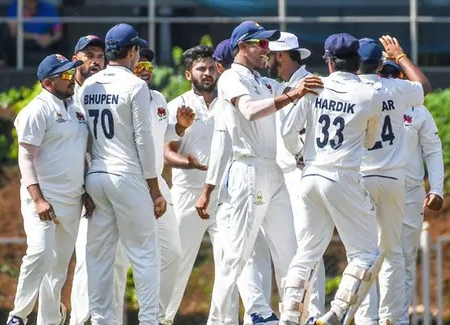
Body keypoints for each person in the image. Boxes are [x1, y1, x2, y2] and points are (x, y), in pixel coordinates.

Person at [199, 20, 322, 324]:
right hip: (247, 169)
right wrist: (294, 95)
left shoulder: (265, 82)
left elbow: (300, 90)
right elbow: (251, 112)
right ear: (243, 46)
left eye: (269, 45)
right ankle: (218, 321)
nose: (268, 51)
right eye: (262, 44)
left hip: (273, 170)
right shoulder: (230, 78)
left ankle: (296, 317)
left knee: (291, 252)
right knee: (236, 257)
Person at [281, 33, 383, 325]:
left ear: (329, 62)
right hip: (343, 176)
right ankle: (337, 312)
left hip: (310, 175)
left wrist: (301, 155)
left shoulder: (314, 86)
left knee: (307, 251)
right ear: (357, 62)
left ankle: (289, 316)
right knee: (366, 254)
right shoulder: (368, 94)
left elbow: (288, 132)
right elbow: (370, 140)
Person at [80, 23, 166, 325]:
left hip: (97, 175)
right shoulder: (136, 86)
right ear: (132, 52)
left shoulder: (89, 85)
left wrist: (84, 183)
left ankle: (103, 321)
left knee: (99, 258)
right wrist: (154, 189)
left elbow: (84, 138)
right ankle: (150, 321)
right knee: (144, 254)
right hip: (127, 174)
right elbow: (143, 141)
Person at [196, 38, 277, 325]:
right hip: (241, 179)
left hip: (261, 175)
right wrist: (208, 190)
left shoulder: (258, 82)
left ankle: (259, 313)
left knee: (254, 255)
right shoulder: (230, 86)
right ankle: (227, 319)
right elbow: (221, 148)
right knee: (236, 257)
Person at [112, 46, 192, 325]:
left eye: (149, 66)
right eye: (140, 65)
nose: (145, 71)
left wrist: (179, 128)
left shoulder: (157, 97)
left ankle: (157, 318)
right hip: (128, 181)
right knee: (120, 258)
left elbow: (161, 134)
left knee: (172, 253)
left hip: (156, 181)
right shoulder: (121, 95)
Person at [7, 54, 89, 325]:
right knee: (39, 253)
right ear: (48, 82)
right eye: (65, 76)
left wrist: (86, 190)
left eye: (71, 73)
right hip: (42, 199)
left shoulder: (76, 109)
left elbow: (81, 155)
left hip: (72, 199)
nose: (71, 79)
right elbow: (26, 158)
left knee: (58, 269)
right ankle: (18, 314)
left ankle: (49, 320)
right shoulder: (36, 110)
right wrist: (38, 198)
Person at [357, 36, 431, 325]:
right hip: (391, 180)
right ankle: (394, 319)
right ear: (380, 64)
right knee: (392, 252)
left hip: (359, 179)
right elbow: (424, 87)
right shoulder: (397, 89)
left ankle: (366, 318)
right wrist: (399, 57)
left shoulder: (347, 88)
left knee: (363, 252)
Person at [163, 45, 230, 324]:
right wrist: (187, 161)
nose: (208, 73)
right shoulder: (177, 105)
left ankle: (222, 321)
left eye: (211, 68)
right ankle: (161, 319)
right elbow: (167, 152)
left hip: (226, 194)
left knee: (230, 261)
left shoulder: (230, 102)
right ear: (189, 74)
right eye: (201, 69)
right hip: (188, 194)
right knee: (176, 261)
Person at [378, 60, 444, 325]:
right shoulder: (367, 101)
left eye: (396, 74)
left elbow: (433, 150)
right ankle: (370, 318)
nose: (391, 79)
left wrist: (437, 188)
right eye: (385, 73)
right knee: (371, 256)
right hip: (375, 188)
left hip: (410, 192)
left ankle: (396, 320)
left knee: (404, 257)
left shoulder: (418, 111)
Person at [266, 31, 325, 324]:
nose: (267, 59)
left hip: (299, 170)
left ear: (280, 56)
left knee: (307, 241)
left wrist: (301, 155)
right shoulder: (283, 85)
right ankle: (296, 310)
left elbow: (291, 134)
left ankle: (313, 313)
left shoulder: (307, 83)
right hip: (283, 173)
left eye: (270, 54)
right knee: (290, 245)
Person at [68, 33, 106, 325]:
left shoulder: (107, 90)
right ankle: (80, 318)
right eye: (89, 55)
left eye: (100, 56)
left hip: (102, 183)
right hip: (75, 187)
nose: (95, 61)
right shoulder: (66, 93)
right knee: (81, 256)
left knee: (106, 258)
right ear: (75, 59)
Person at [5, 0, 63, 66]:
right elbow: (14, 32)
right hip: (26, 40)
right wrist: (36, 37)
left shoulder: (48, 7)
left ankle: (59, 70)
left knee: (62, 44)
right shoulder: (15, 7)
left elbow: (58, 32)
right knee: (11, 44)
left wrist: (50, 39)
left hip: (46, 40)